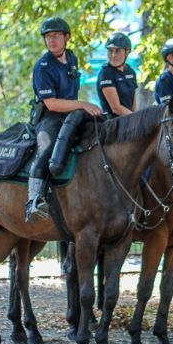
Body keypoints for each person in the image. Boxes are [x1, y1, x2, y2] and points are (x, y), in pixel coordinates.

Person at [27, 17, 102, 222]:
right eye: (48, 37)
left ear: (66, 38)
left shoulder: (71, 58)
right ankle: (33, 201)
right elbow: (51, 103)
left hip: (71, 115)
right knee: (47, 149)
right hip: (50, 118)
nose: (51, 41)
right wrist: (84, 104)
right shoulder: (43, 66)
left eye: (56, 36)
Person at [96, 32, 137, 117]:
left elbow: (133, 105)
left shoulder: (131, 72)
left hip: (129, 120)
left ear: (127, 52)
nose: (113, 55)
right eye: (110, 51)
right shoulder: (105, 73)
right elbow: (116, 108)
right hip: (112, 124)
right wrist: (137, 119)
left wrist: (136, 119)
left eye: (117, 51)